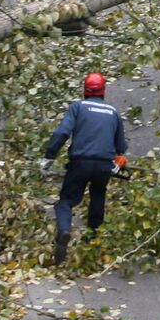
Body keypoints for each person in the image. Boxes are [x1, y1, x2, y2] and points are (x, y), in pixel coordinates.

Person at [40, 72, 128, 263]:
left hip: (80, 162)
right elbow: (121, 149)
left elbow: (62, 132)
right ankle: (92, 240)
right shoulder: (113, 112)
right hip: (104, 164)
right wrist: (117, 164)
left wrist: (49, 157)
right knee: (98, 195)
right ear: (104, 91)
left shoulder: (78, 107)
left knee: (66, 201)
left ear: (85, 90)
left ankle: (64, 230)